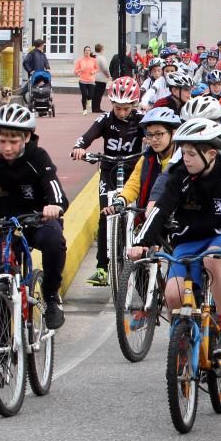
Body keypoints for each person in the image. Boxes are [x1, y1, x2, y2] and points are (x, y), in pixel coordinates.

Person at [129, 119, 221, 358]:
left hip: (219, 239)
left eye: (192, 154)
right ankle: (182, 340)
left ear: (211, 153)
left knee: (213, 261)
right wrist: (141, 242)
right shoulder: (179, 175)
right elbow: (160, 211)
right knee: (173, 294)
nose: (185, 158)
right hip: (186, 242)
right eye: (183, 152)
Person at [0, 104, 69, 329]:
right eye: (1, 140)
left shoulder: (38, 157)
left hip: (38, 220)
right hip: (4, 225)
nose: (6, 147)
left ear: (27, 137)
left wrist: (54, 205)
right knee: (0, 274)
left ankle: (51, 296)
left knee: (54, 242)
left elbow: (54, 187)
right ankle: (2, 337)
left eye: (13, 141)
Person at [71, 76, 145, 286]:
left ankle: (140, 254)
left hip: (134, 171)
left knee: (139, 213)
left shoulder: (141, 119)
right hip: (109, 170)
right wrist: (79, 148)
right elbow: (86, 136)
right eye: (118, 107)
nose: (122, 112)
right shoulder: (105, 119)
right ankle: (102, 267)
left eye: (126, 108)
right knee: (106, 215)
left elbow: (154, 132)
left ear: (134, 104)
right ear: (111, 103)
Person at [73, 45, 98, 115]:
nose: (87, 51)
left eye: (88, 50)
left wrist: (94, 71)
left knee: (91, 95)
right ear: (84, 52)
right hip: (82, 80)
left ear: (90, 52)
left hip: (91, 80)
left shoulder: (93, 60)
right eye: (86, 50)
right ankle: (84, 110)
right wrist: (80, 70)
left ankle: (89, 100)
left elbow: (97, 68)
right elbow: (75, 71)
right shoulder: (80, 60)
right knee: (84, 95)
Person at [91, 43, 112, 113]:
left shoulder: (93, 57)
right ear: (101, 49)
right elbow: (105, 68)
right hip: (101, 78)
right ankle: (97, 108)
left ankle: (94, 107)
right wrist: (108, 75)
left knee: (95, 94)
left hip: (93, 77)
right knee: (99, 94)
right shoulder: (101, 58)